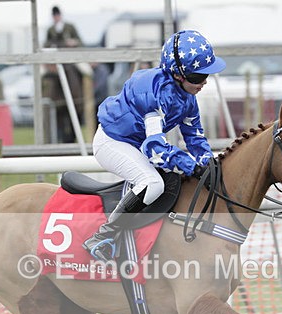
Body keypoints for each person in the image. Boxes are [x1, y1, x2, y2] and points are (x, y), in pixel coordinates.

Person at [82, 30, 226, 261]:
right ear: (179, 75)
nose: (205, 82)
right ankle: (103, 236)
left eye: (206, 76)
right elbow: (155, 149)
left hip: (137, 143)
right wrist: (191, 165)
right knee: (152, 183)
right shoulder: (153, 92)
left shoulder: (188, 98)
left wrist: (208, 164)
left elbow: (195, 138)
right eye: (198, 77)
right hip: (113, 142)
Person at [43, 6, 84, 143]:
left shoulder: (69, 27)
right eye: (54, 15)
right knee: (43, 74)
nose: (56, 17)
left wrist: (73, 43)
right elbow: (46, 43)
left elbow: (80, 41)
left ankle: (86, 93)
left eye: (57, 15)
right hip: (55, 60)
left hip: (71, 60)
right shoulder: (50, 29)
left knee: (85, 71)